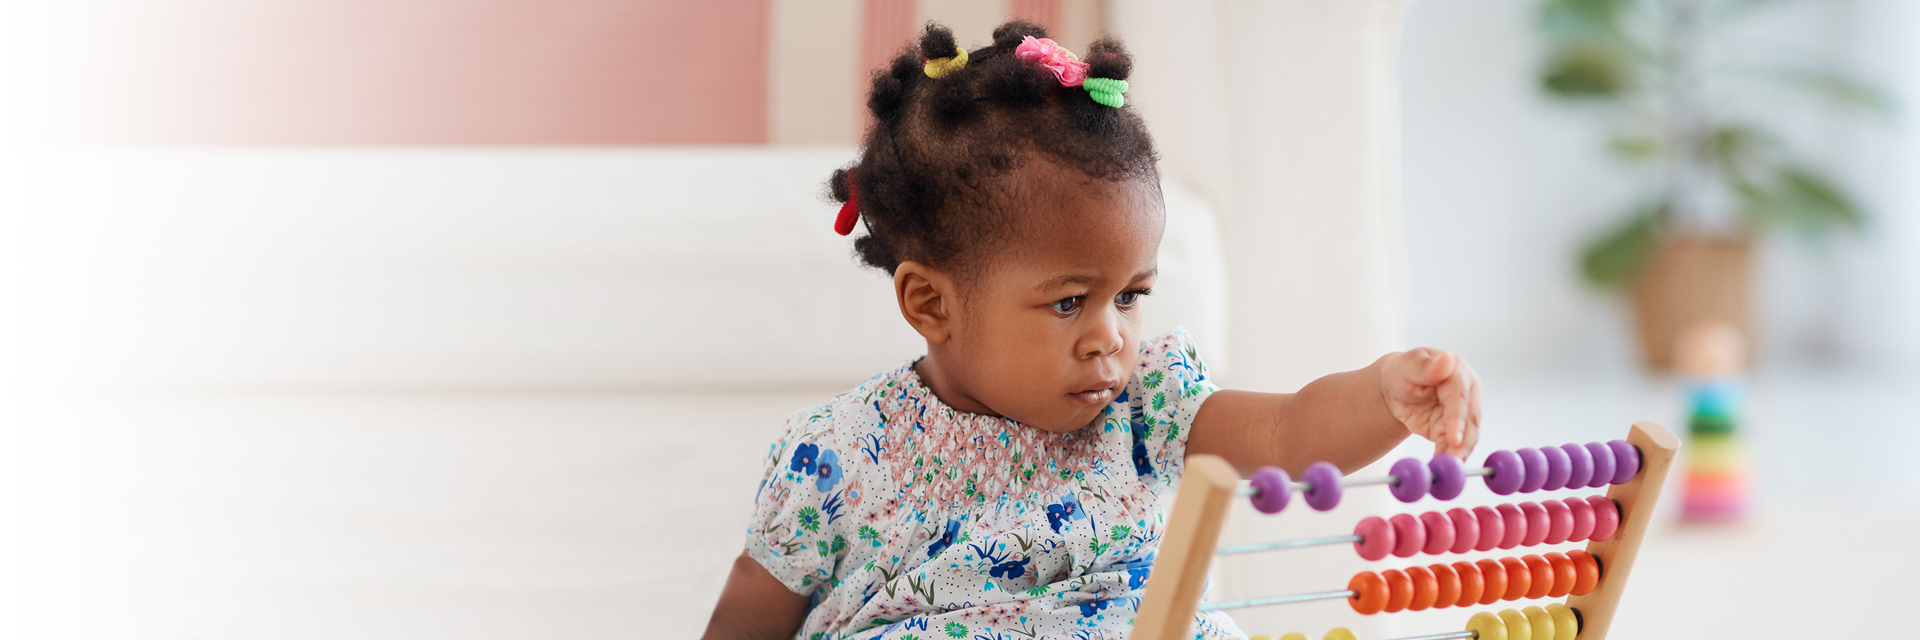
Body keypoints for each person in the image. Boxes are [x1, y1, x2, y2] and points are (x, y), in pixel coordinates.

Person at [702, 20, 1482, 640]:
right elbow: (747, 618)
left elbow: (1287, 431)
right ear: (932, 305)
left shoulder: (1146, 405)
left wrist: (1383, 395)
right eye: (1070, 302)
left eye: (1133, 295)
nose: (1111, 336)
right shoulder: (837, 455)